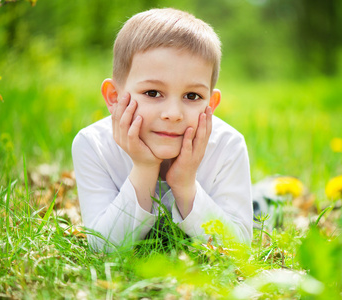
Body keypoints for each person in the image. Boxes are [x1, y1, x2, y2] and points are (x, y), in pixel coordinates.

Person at [72, 8, 253, 251]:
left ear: (211, 104)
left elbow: (238, 248)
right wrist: (145, 168)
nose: (173, 114)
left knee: (267, 204)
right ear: (114, 98)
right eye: (153, 93)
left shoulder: (227, 145)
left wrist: (186, 185)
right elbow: (103, 246)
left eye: (192, 95)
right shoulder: (93, 145)